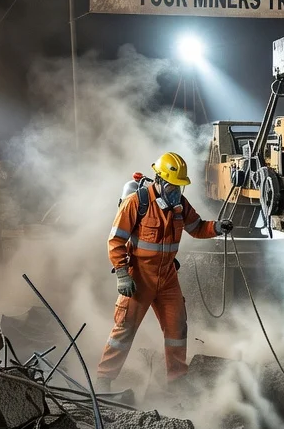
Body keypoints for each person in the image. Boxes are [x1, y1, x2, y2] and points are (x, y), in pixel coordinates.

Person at [97, 152, 232, 387]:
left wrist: (217, 227)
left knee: (177, 329)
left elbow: (197, 227)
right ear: (158, 180)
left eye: (179, 186)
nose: (176, 192)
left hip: (167, 277)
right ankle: (103, 380)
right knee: (124, 330)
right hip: (139, 277)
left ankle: (177, 382)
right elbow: (116, 240)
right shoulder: (136, 203)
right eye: (172, 186)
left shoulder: (180, 205)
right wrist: (122, 274)